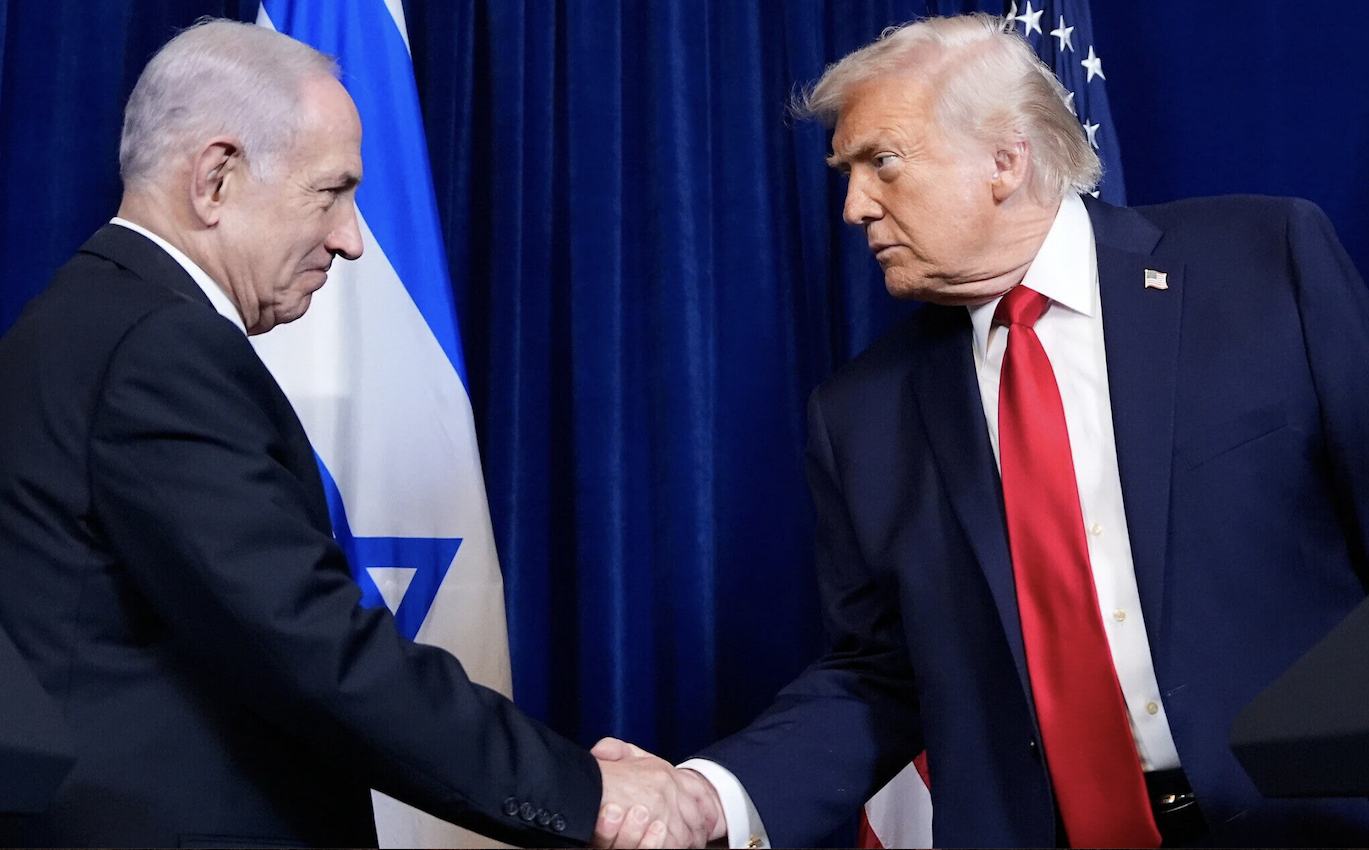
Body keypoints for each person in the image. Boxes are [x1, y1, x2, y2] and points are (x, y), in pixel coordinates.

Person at [595, 12, 1369, 849]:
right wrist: (709, 796)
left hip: (1316, 821)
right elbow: (876, 678)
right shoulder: (859, 416)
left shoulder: (1261, 263)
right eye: (847, 173)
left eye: (881, 164)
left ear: (1005, 160)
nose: (854, 207)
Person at [0, 19, 720, 849]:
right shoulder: (157, 345)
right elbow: (307, 643)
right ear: (216, 179)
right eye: (329, 191)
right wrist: (580, 790)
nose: (348, 239)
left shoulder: (87, 316)